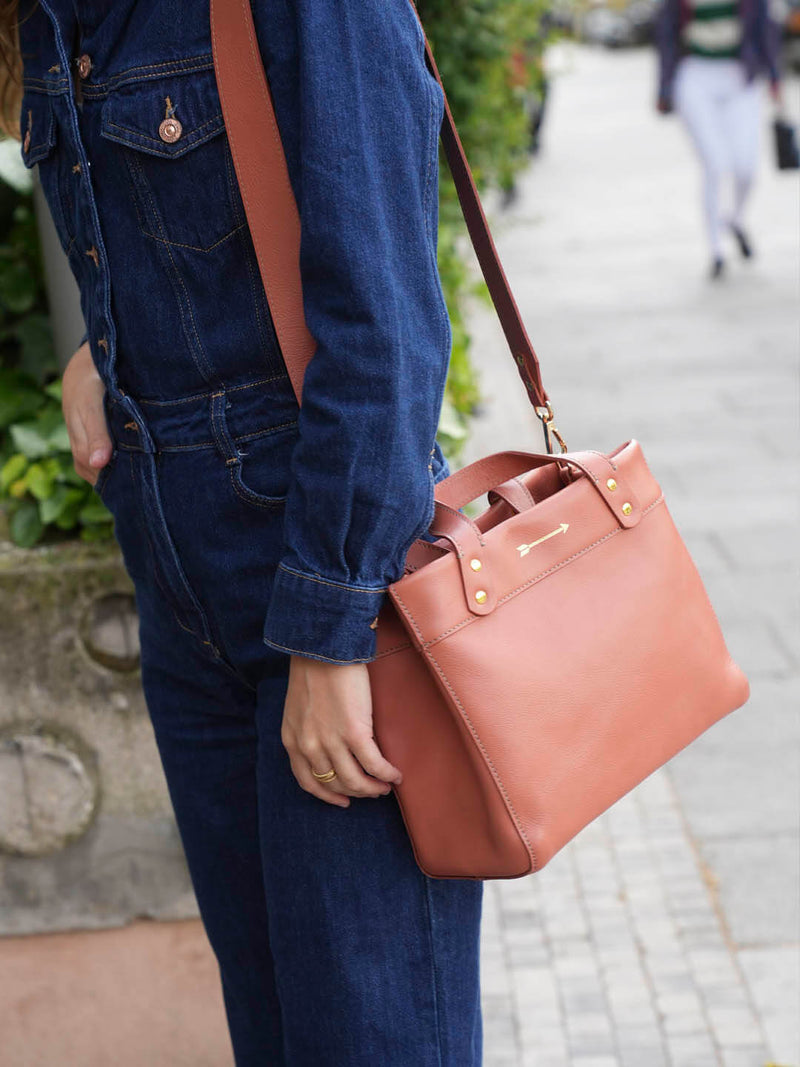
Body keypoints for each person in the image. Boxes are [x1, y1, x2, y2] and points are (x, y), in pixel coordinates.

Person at [1, 1, 484, 1063]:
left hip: (320, 567)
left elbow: (388, 326)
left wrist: (330, 625)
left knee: (375, 1035)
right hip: (180, 592)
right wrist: (101, 348)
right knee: (274, 1036)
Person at [655, 0, 783, 278]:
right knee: (715, 164)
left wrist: (774, 77)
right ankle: (716, 250)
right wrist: (664, 88)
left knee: (746, 167)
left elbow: (765, 27)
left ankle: (734, 219)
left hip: (740, 75)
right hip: (695, 74)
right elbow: (665, 34)